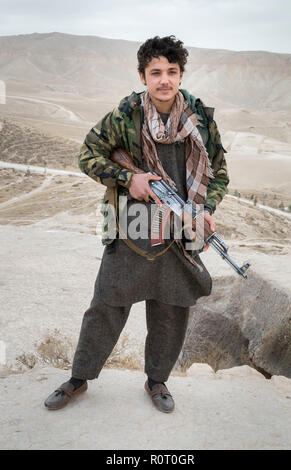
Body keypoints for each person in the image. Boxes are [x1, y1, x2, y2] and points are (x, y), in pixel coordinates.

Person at [44, 35, 229, 413]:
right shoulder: (125, 115)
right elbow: (88, 155)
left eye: (172, 72)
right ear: (143, 75)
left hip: (179, 231)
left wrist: (206, 208)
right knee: (107, 302)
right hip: (131, 228)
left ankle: (157, 380)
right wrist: (130, 179)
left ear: (181, 75)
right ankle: (78, 379)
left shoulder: (200, 119)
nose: (164, 80)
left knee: (172, 306)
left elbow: (220, 172)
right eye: (156, 72)